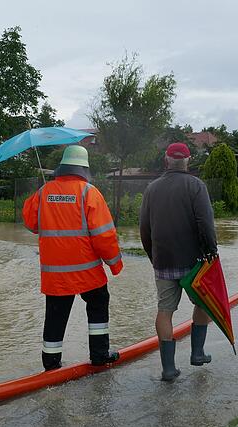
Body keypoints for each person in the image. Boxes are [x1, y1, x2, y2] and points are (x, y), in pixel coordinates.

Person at [22, 145, 123, 371]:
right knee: (98, 304)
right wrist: (115, 264)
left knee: (55, 317)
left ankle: (50, 365)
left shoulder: (44, 192)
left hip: (55, 275)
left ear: (61, 167)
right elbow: (104, 235)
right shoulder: (90, 193)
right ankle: (99, 355)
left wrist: (41, 195)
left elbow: (30, 224)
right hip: (87, 273)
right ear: (84, 169)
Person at [139, 142, 218, 381]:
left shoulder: (152, 189)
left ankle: (168, 369)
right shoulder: (196, 186)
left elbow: (144, 228)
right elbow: (205, 222)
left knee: (165, 311)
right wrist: (212, 252)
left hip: (163, 260)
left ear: (166, 160)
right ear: (188, 161)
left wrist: (153, 256)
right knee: (204, 304)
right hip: (194, 261)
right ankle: (197, 353)